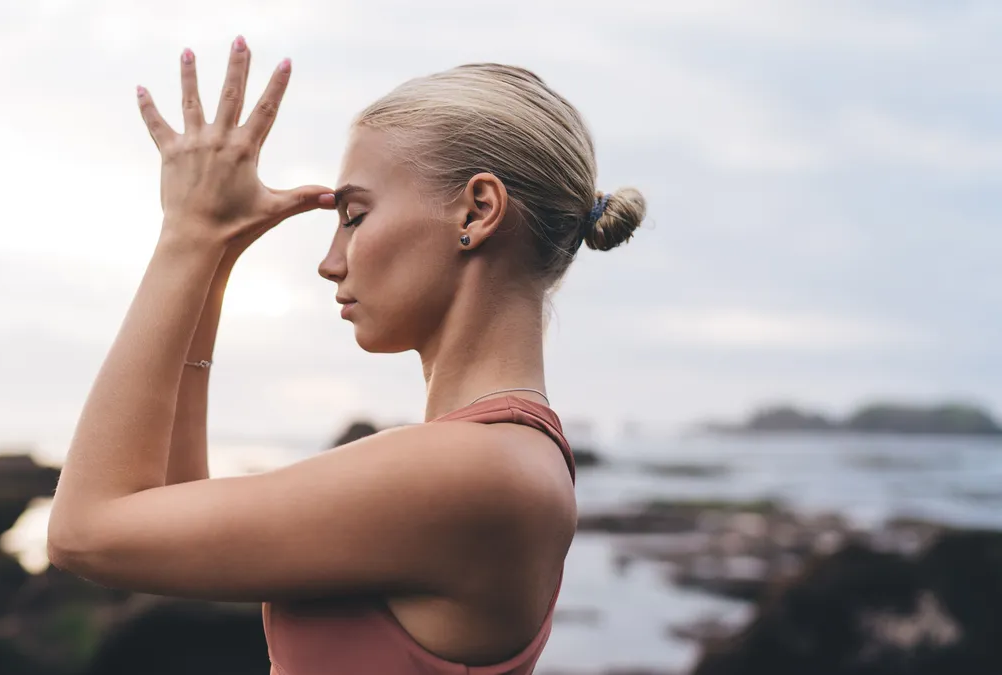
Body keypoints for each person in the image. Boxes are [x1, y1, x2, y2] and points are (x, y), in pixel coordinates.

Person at [46, 36, 646, 675]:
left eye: (354, 216)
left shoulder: (480, 471)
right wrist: (214, 259)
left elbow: (86, 533)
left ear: (477, 212)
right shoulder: (496, 458)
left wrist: (188, 233)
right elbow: (166, 517)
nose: (330, 262)